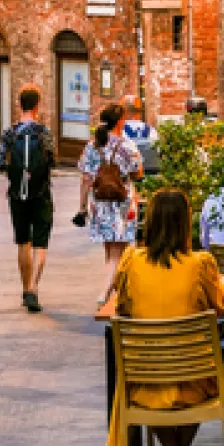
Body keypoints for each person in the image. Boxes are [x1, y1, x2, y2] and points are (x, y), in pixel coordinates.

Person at [108, 187, 224, 446]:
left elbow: (121, 308)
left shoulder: (131, 262)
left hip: (146, 377)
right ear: (187, 224)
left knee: (148, 379)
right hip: (195, 377)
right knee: (211, 374)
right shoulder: (201, 265)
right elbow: (220, 306)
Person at [0, 86, 56, 313]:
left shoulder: (10, 133)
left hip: (17, 194)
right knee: (40, 244)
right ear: (37, 105)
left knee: (23, 241)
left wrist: (16, 172)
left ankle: (25, 289)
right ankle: (33, 288)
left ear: (19, 105)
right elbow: (52, 160)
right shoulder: (44, 132)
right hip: (41, 193)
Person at [76, 106, 142, 305]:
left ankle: (115, 294)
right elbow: (138, 172)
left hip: (100, 202)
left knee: (110, 252)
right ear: (120, 121)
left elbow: (86, 178)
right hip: (122, 203)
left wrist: (82, 207)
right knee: (118, 253)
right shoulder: (127, 145)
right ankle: (104, 294)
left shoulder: (92, 146)